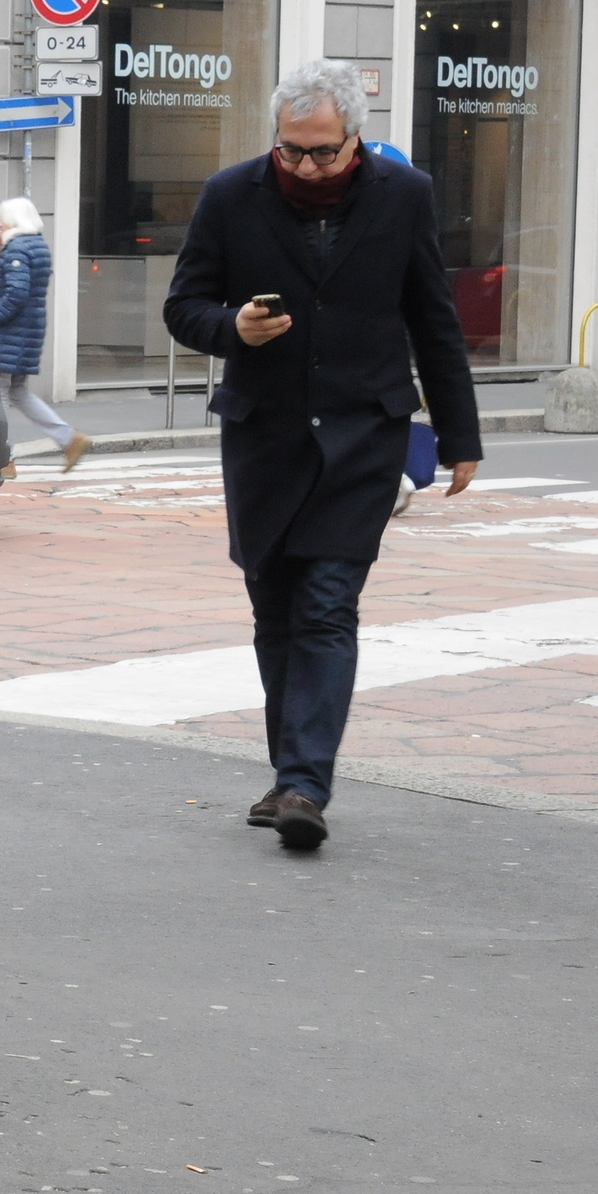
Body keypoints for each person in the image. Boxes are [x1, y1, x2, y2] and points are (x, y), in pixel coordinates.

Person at [164, 58, 482, 851]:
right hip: (265, 437)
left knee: (327, 604)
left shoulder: (404, 196)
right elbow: (184, 305)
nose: (305, 166)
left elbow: (433, 319)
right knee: (274, 607)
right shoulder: (230, 195)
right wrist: (231, 328)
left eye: (322, 152)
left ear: (354, 140)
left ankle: (306, 784)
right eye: (291, 150)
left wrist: (460, 435)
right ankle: (289, 775)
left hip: (362, 434)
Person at [0, 198, 88, 476]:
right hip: (29, 329)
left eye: (2, 221)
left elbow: (15, 294)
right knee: (18, 391)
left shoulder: (17, 249)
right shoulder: (36, 245)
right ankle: (69, 439)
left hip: (11, 331)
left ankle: (4, 459)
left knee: (0, 394)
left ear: (14, 221)